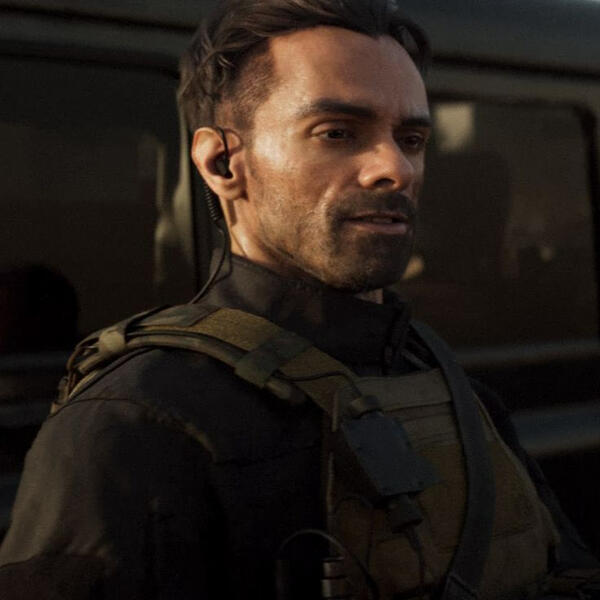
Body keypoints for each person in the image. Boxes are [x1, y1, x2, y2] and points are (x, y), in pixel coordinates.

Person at [0, 1, 597, 598]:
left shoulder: (438, 375)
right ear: (222, 162)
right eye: (337, 133)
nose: (396, 168)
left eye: (411, 139)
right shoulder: (135, 422)